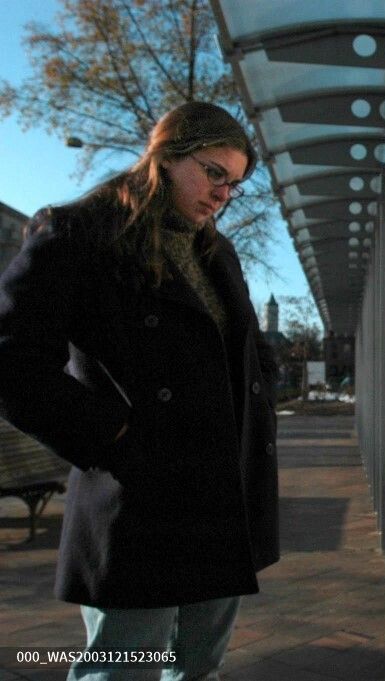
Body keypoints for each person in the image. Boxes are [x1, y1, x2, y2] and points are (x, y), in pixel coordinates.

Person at [0, 102, 279, 680]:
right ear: (169, 155)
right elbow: (12, 359)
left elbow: (245, 346)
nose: (223, 194)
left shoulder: (215, 250)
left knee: (199, 665)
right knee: (124, 667)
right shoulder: (79, 232)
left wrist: (260, 394)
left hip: (219, 497)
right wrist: (112, 432)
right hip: (139, 495)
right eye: (214, 172)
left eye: (235, 184)